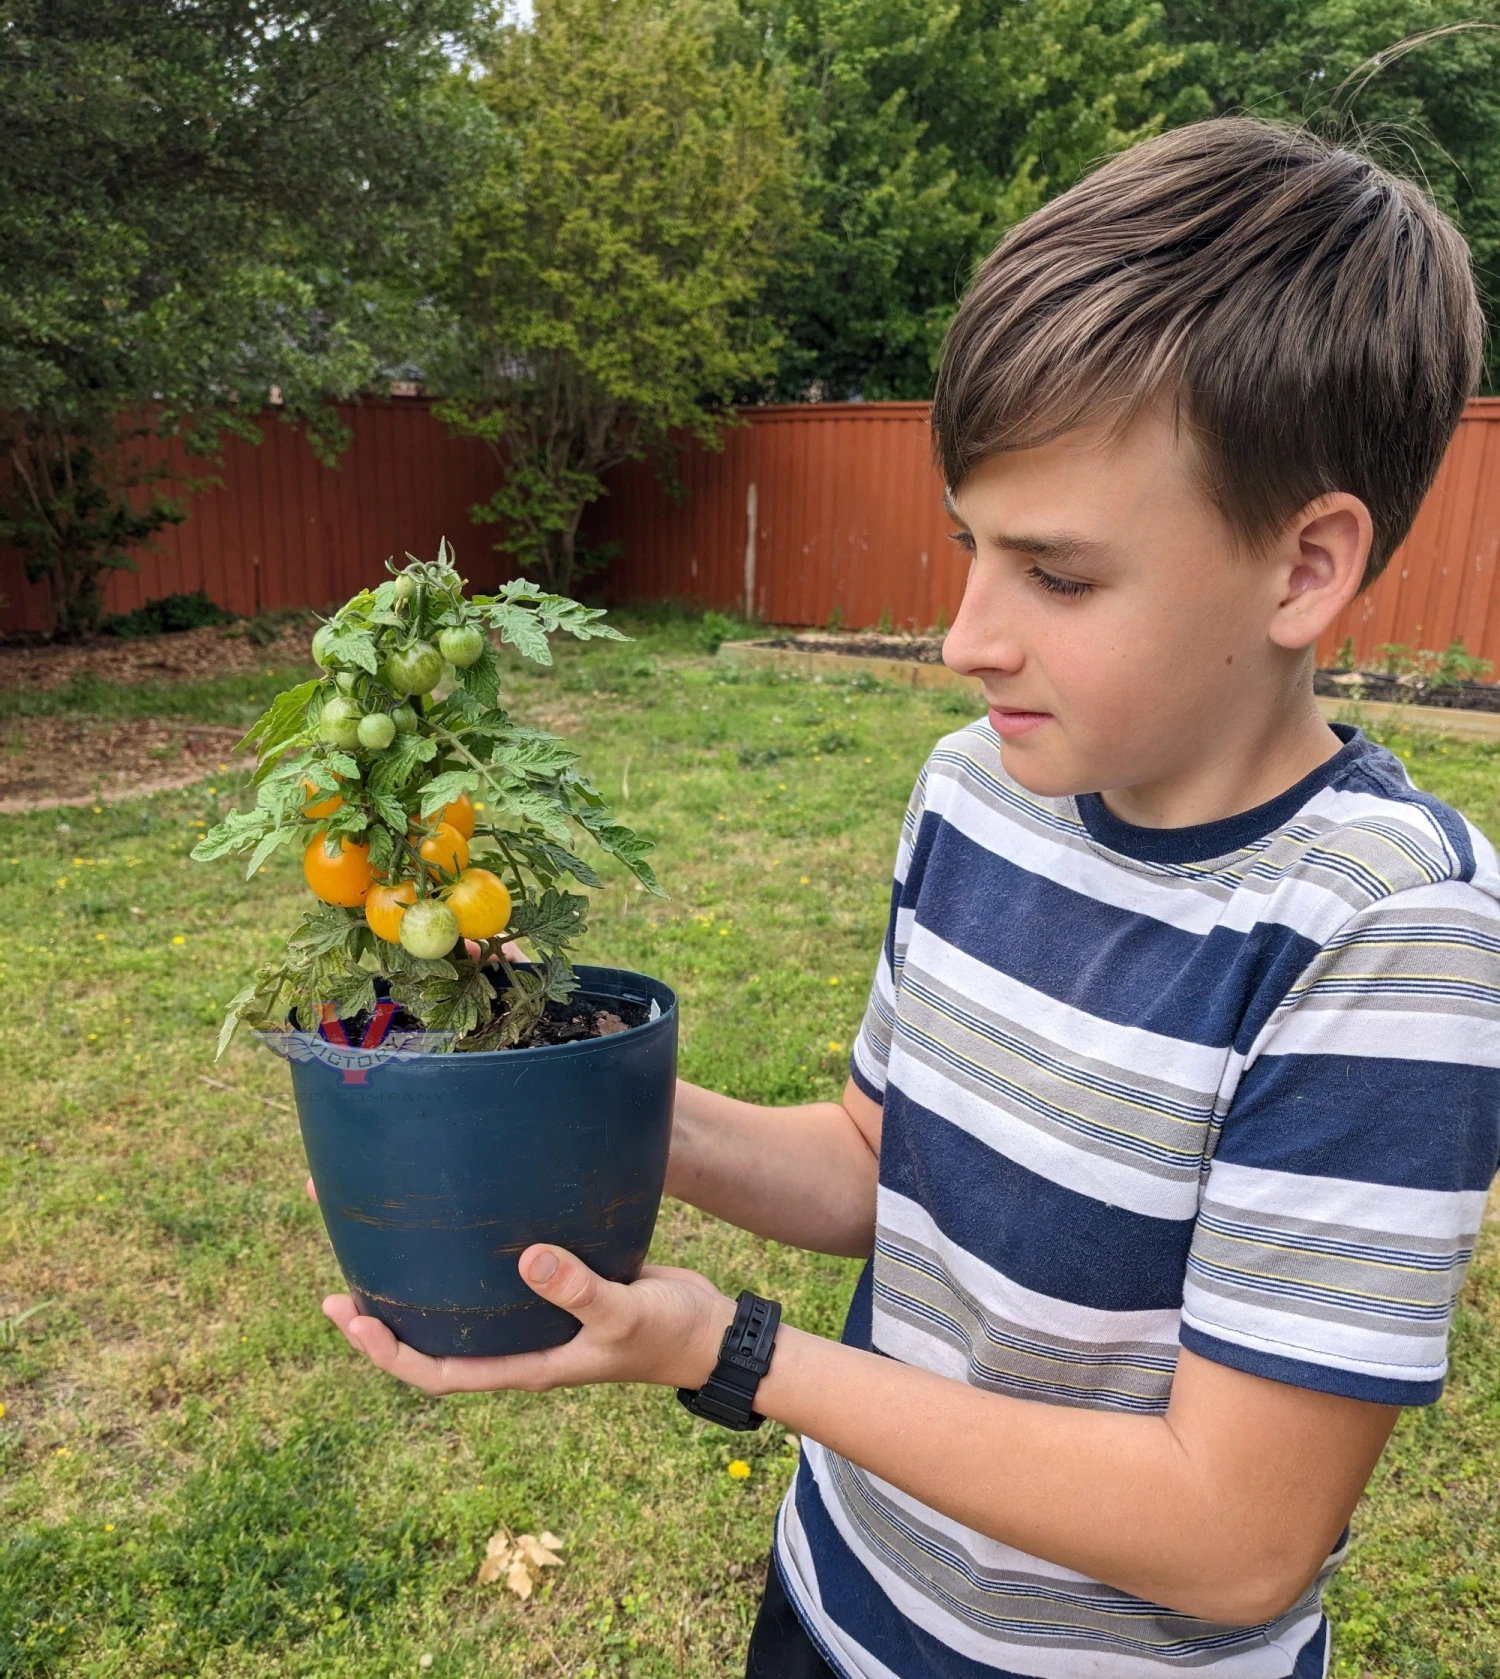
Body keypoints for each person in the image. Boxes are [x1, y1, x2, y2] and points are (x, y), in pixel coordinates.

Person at [319, 119, 1500, 1678]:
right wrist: (554, 1085)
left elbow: (1237, 1535)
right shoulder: (976, 790)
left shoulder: (1384, 936)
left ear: (1304, 570)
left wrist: (736, 1352)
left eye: (1057, 575)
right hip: (838, 1598)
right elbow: (885, 1162)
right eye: (967, 548)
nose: (963, 636)